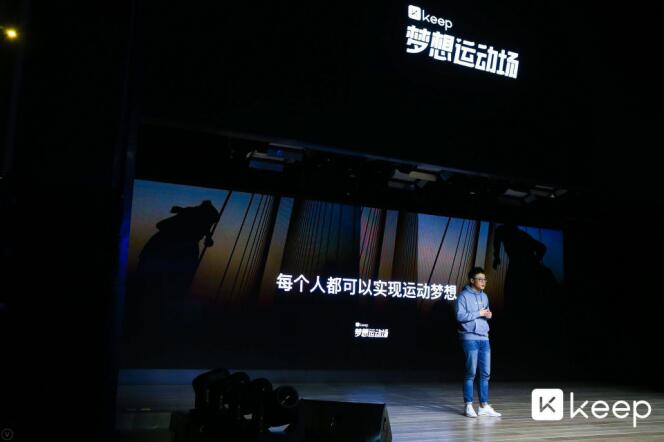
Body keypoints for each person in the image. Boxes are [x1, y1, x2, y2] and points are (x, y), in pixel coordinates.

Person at [455, 267, 502, 418]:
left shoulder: (485, 296)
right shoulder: (463, 296)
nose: (483, 282)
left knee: (486, 373)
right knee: (471, 372)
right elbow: (459, 316)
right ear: (472, 280)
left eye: (485, 279)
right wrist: (479, 313)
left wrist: (488, 315)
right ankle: (468, 405)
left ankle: (483, 406)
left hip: (484, 337)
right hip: (469, 337)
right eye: (480, 279)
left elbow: (485, 312)